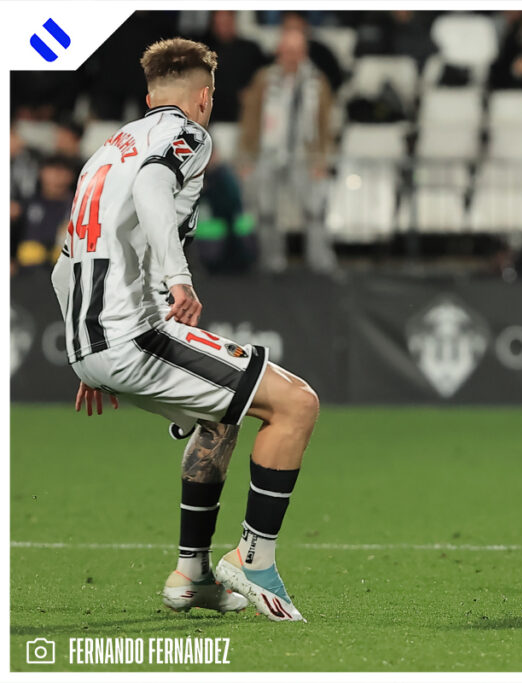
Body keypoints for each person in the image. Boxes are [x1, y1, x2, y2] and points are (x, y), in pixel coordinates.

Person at [50, 37, 319, 622]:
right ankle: (254, 561)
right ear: (204, 97)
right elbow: (153, 186)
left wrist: (86, 344)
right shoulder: (189, 135)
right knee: (296, 404)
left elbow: (65, 258)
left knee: (221, 418)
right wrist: (180, 277)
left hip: (93, 337)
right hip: (135, 331)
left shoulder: (103, 155)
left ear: (149, 97)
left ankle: (192, 574)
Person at [239, 26, 336, 273]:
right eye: (288, 50)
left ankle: (320, 262)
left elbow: (325, 124)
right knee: (267, 210)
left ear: (304, 52)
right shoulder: (264, 79)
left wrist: (323, 159)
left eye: (297, 50)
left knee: (314, 210)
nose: (292, 56)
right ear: (279, 51)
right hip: (270, 150)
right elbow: (251, 118)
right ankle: (271, 261)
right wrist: (247, 155)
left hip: (304, 153)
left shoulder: (317, 81)